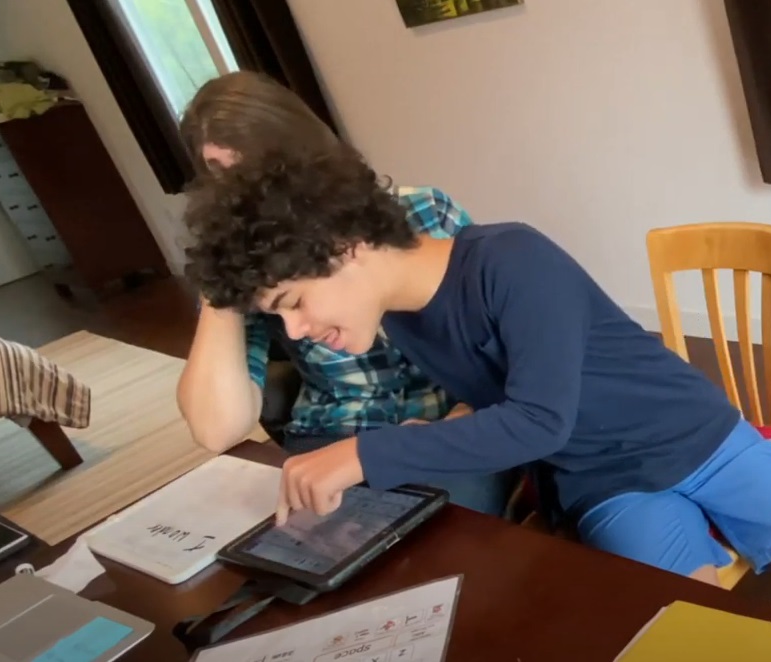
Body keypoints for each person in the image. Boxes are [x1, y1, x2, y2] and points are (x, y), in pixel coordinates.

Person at [181, 146, 771, 662]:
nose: (297, 330)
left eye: (293, 302)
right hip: (604, 482)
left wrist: (365, 451)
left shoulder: (510, 257)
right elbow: (513, 412)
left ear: (346, 246)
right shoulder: (400, 316)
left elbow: (540, 419)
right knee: (687, 637)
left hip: (697, 437)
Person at [174, 72, 516, 517]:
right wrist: (222, 270)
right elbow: (217, 429)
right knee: (299, 545)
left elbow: (505, 346)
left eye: (258, 167)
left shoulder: (424, 213)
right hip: (331, 433)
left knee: (444, 539)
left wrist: (462, 418)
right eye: (225, 178)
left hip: (441, 428)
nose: (250, 192)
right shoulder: (255, 271)